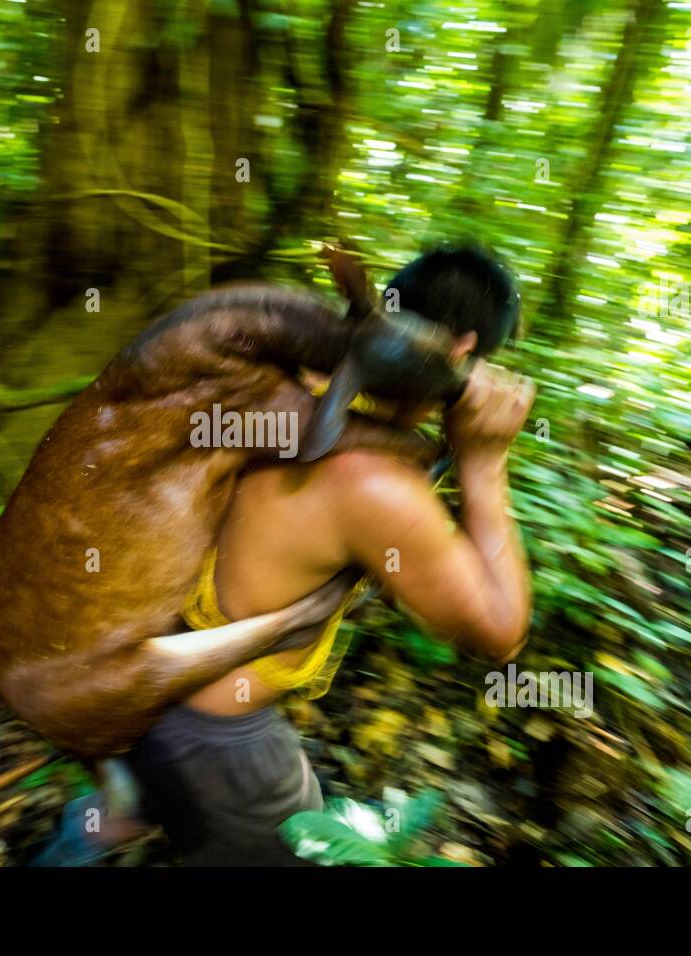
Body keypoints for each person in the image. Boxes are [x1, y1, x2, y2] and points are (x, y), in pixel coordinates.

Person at [120, 245, 536, 865]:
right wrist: (484, 462)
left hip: (132, 680)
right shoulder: (372, 485)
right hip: (211, 734)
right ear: (463, 354)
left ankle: (108, 817)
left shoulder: (290, 387)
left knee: (125, 819)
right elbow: (501, 631)